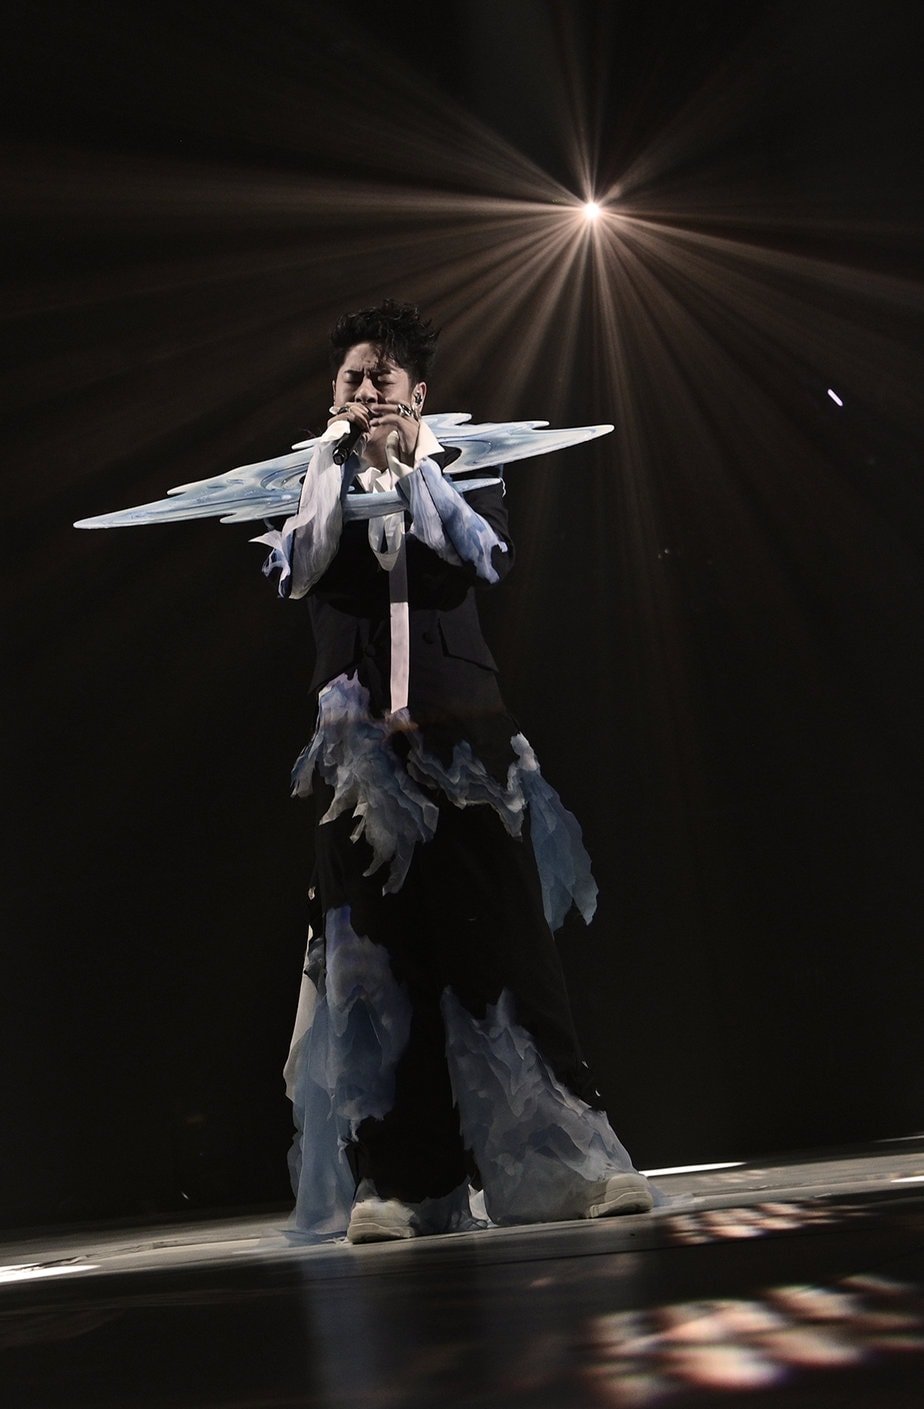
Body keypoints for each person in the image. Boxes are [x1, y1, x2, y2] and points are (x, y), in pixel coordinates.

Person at [257, 300, 653, 1242]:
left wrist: (413, 470)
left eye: (382, 377)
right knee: (373, 963)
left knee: (506, 945)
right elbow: (295, 571)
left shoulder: (469, 469)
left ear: (418, 392)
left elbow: (480, 557)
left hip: (465, 733)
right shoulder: (303, 485)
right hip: (358, 750)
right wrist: (339, 469)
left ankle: (566, 1167)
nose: (366, 391)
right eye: (352, 378)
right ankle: (404, 1182)